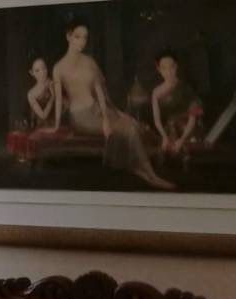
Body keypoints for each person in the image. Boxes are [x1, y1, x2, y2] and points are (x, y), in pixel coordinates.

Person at [51, 22, 174, 189]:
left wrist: (107, 117)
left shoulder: (89, 62)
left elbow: (100, 93)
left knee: (133, 123)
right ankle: (149, 174)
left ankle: (148, 161)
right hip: (80, 117)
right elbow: (58, 100)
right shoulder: (58, 68)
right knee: (128, 129)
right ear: (68, 36)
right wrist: (55, 126)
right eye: (77, 37)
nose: (82, 41)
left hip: (98, 110)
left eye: (85, 37)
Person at [150, 51, 204, 157]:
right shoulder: (156, 92)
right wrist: (164, 136)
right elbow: (157, 120)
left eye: (171, 67)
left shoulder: (186, 89)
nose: (168, 72)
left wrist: (182, 139)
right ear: (159, 70)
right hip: (169, 130)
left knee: (184, 151)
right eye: (164, 68)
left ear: (176, 67)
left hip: (188, 129)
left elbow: (193, 118)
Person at [25, 56, 56, 126]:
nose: (42, 73)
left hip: (58, 123)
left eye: (44, 68)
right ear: (31, 72)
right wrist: (52, 98)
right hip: (41, 126)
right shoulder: (31, 94)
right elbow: (43, 116)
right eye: (37, 70)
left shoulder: (53, 83)